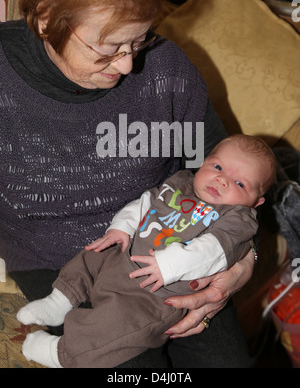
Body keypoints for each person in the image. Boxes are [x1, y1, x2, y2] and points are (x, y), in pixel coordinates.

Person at [0, 0, 255, 368]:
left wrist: (240, 264)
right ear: (44, 17)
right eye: (107, 49)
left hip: (175, 248)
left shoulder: (167, 72)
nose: (127, 66)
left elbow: (232, 174)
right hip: (61, 263)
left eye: (138, 40)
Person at [17, 134, 277, 368]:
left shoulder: (237, 219)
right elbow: (147, 202)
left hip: (156, 295)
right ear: (205, 160)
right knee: (91, 256)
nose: (221, 180)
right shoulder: (183, 181)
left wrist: (168, 266)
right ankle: (60, 300)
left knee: (117, 329)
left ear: (257, 202)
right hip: (125, 254)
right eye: (217, 167)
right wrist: (121, 227)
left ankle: (62, 354)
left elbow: (211, 250)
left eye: (240, 183)